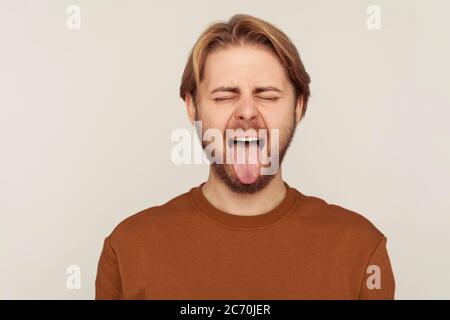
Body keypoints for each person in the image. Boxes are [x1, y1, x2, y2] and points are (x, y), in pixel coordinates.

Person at [95, 13, 395, 299]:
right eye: (225, 95)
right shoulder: (128, 248)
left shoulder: (360, 248)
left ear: (299, 107)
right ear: (191, 107)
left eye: (267, 95)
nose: (247, 112)